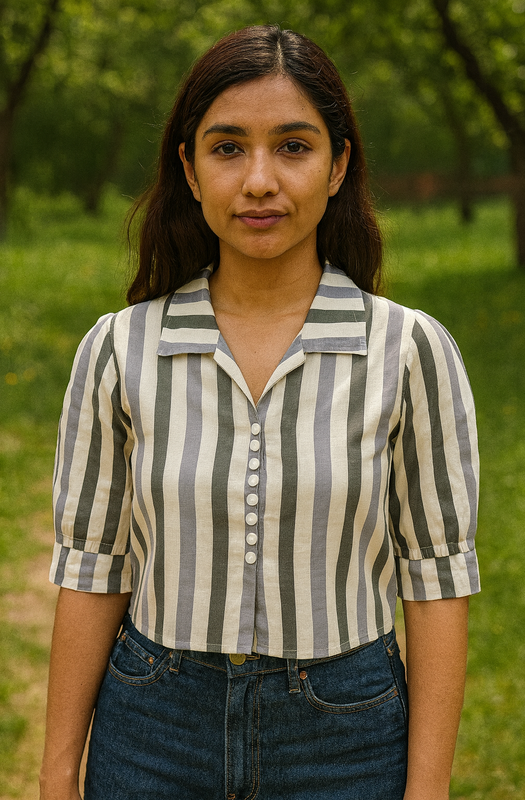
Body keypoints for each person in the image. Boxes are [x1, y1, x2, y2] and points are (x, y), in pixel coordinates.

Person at [39, 24, 480, 800]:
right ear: (189, 167)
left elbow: (435, 578)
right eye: (228, 148)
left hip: (346, 735)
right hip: (152, 730)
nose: (259, 181)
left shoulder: (408, 350)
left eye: (293, 147)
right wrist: (55, 777)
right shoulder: (119, 348)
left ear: (338, 165)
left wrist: (427, 790)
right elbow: (93, 568)